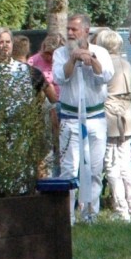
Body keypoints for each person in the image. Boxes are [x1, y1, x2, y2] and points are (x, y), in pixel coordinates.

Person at [51, 14, 114, 224]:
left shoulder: (101, 52)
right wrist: (73, 58)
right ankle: (67, 217)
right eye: (68, 29)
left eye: (74, 30)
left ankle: (90, 214)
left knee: (95, 169)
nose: (69, 33)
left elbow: (106, 77)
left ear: (86, 31)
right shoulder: (60, 53)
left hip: (95, 117)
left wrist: (91, 60)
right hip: (70, 118)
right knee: (69, 169)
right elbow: (60, 77)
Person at [95, 27, 131, 222]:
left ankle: (121, 209)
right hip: (126, 114)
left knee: (111, 164)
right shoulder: (125, 63)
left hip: (109, 114)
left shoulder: (104, 64)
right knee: (125, 164)